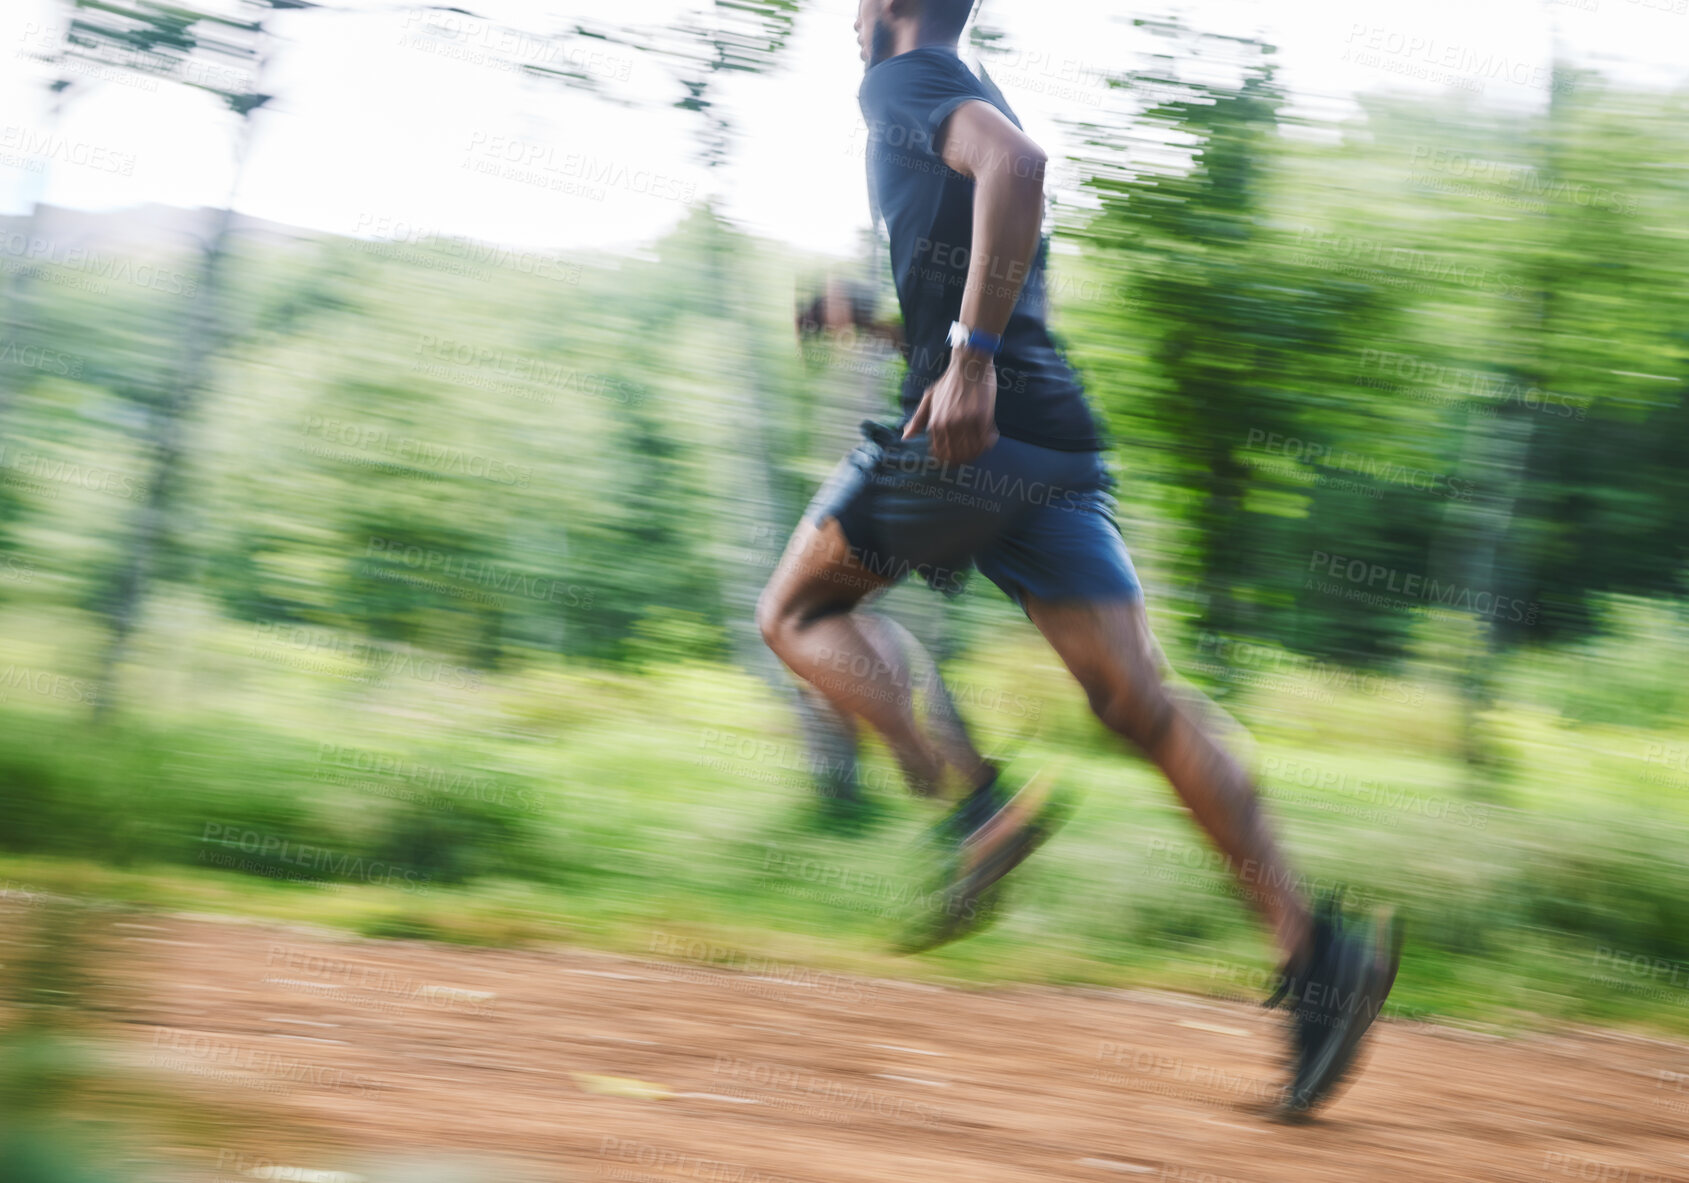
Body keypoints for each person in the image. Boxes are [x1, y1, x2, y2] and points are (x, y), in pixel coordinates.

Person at [757, 0, 1399, 1119]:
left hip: (957, 440)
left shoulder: (907, 78)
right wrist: (878, 319)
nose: (848, 18)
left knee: (799, 614)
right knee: (1140, 702)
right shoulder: (965, 86)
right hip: (1048, 439)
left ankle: (973, 802)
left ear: (896, 8)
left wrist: (967, 360)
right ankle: (1318, 953)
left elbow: (1018, 167)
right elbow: (987, 232)